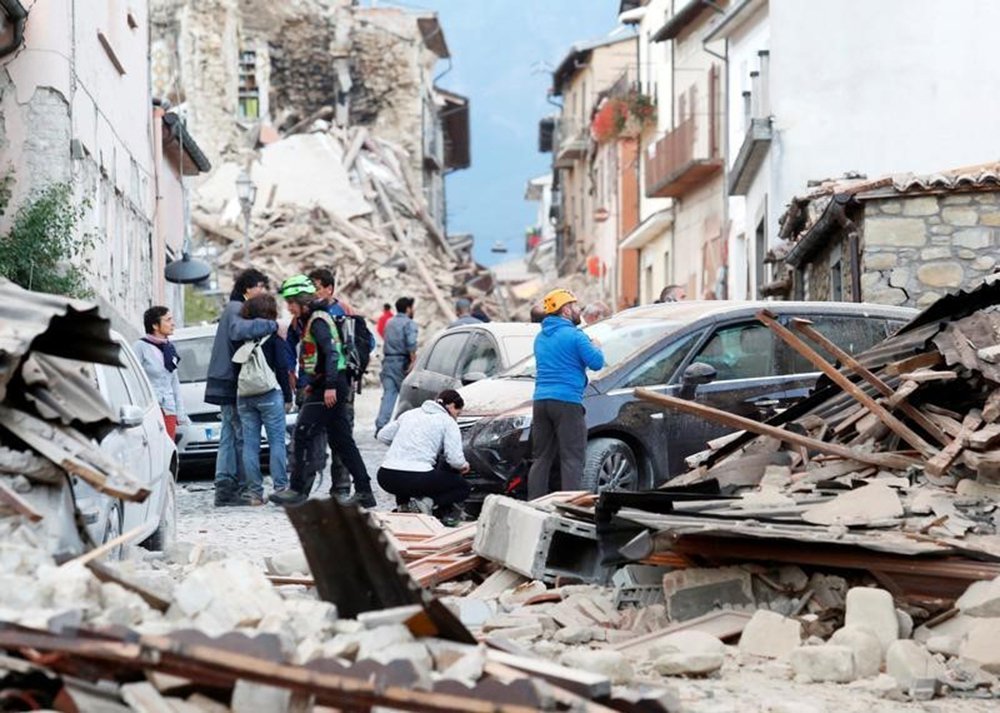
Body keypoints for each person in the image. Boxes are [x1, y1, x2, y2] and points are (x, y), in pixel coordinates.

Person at [271, 276, 376, 507]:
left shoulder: (318, 320)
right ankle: (365, 491)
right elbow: (319, 357)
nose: (288, 308)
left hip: (331, 386)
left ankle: (297, 489)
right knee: (342, 441)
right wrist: (315, 382)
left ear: (302, 301)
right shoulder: (313, 319)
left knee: (302, 433)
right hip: (325, 384)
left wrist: (328, 386)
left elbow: (332, 354)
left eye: (291, 302)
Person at [205, 269, 278, 507]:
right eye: (259, 286)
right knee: (237, 436)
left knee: (229, 432)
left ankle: (225, 486)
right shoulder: (236, 308)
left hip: (223, 378)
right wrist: (271, 325)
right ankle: (234, 486)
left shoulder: (233, 308)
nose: (262, 291)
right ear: (247, 288)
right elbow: (238, 331)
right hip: (229, 380)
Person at [526, 288, 605, 499]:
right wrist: (596, 346)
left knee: (541, 458)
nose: (579, 309)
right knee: (572, 458)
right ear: (566, 310)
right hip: (567, 402)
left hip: (541, 401)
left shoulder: (540, 338)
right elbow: (596, 363)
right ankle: (570, 505)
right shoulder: (576, 336)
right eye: (575, 305)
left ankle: (534, 504)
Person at [377, 389, 471, 526]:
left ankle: (404, 506)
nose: (456, 417)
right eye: (458, 413)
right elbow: (454, 460)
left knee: (406, 473)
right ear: (451, 406)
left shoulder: (410, 414)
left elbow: (382, 435)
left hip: (386, 476)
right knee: (462, 488)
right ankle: (426, 503)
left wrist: (403, 443)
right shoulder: (448, 422)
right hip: (417, 478)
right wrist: (464, 465)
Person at [235, 294, 293, 505]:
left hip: (245, 396)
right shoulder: (274, 338)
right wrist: (288, 396)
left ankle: (255, 494)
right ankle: (280, 488)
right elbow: (283, 367)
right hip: (269, 394)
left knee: (250, 445)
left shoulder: (241, 337)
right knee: (277, 441)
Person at [308, 268, 361, 500]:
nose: (314, 293)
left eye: (317, 288)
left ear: (329, 289)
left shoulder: (344, 312)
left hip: (339, 385)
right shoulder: (308, 314)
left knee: (340, 435)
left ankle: (341, 487)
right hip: (314, 386)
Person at [134, 306, 186, 441]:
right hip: (149, 409)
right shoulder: (140, 347)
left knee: (168, 453)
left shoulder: (169, 348)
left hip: (169, 409)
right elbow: (133, 377)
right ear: (155, 325)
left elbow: (174, 383)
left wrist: (180, 412)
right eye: (168, 320)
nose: (172, 323)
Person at [375, 296, 417, 434]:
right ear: (408, 308)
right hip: (402, 363)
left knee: (389, 394)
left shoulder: (389, 322)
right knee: (407, 396)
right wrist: (413, 361)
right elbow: (411, 343)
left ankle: (381, 426)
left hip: (388, 361)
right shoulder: (409, 323)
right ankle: (403, 427)